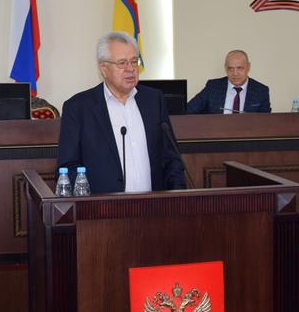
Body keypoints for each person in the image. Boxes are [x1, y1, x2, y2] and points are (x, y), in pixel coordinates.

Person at [57, 31, 186, 194]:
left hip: (153, 204)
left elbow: (171, 157)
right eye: (122, 63)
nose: (130, 69)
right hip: (102, 206)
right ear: (103, 68)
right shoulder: (78, 108)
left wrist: (178, 196)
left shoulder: (153, 100)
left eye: (134, 61)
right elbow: (68, 166)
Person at [187, 49, 271, 114]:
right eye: (230, 69)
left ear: (248, 67)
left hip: (248, 131)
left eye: (240, 68)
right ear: (225, 68)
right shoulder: (213, 87)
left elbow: (266, 121)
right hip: (216, 131)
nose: (235, 73)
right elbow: (188, 110)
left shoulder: (260, 91)